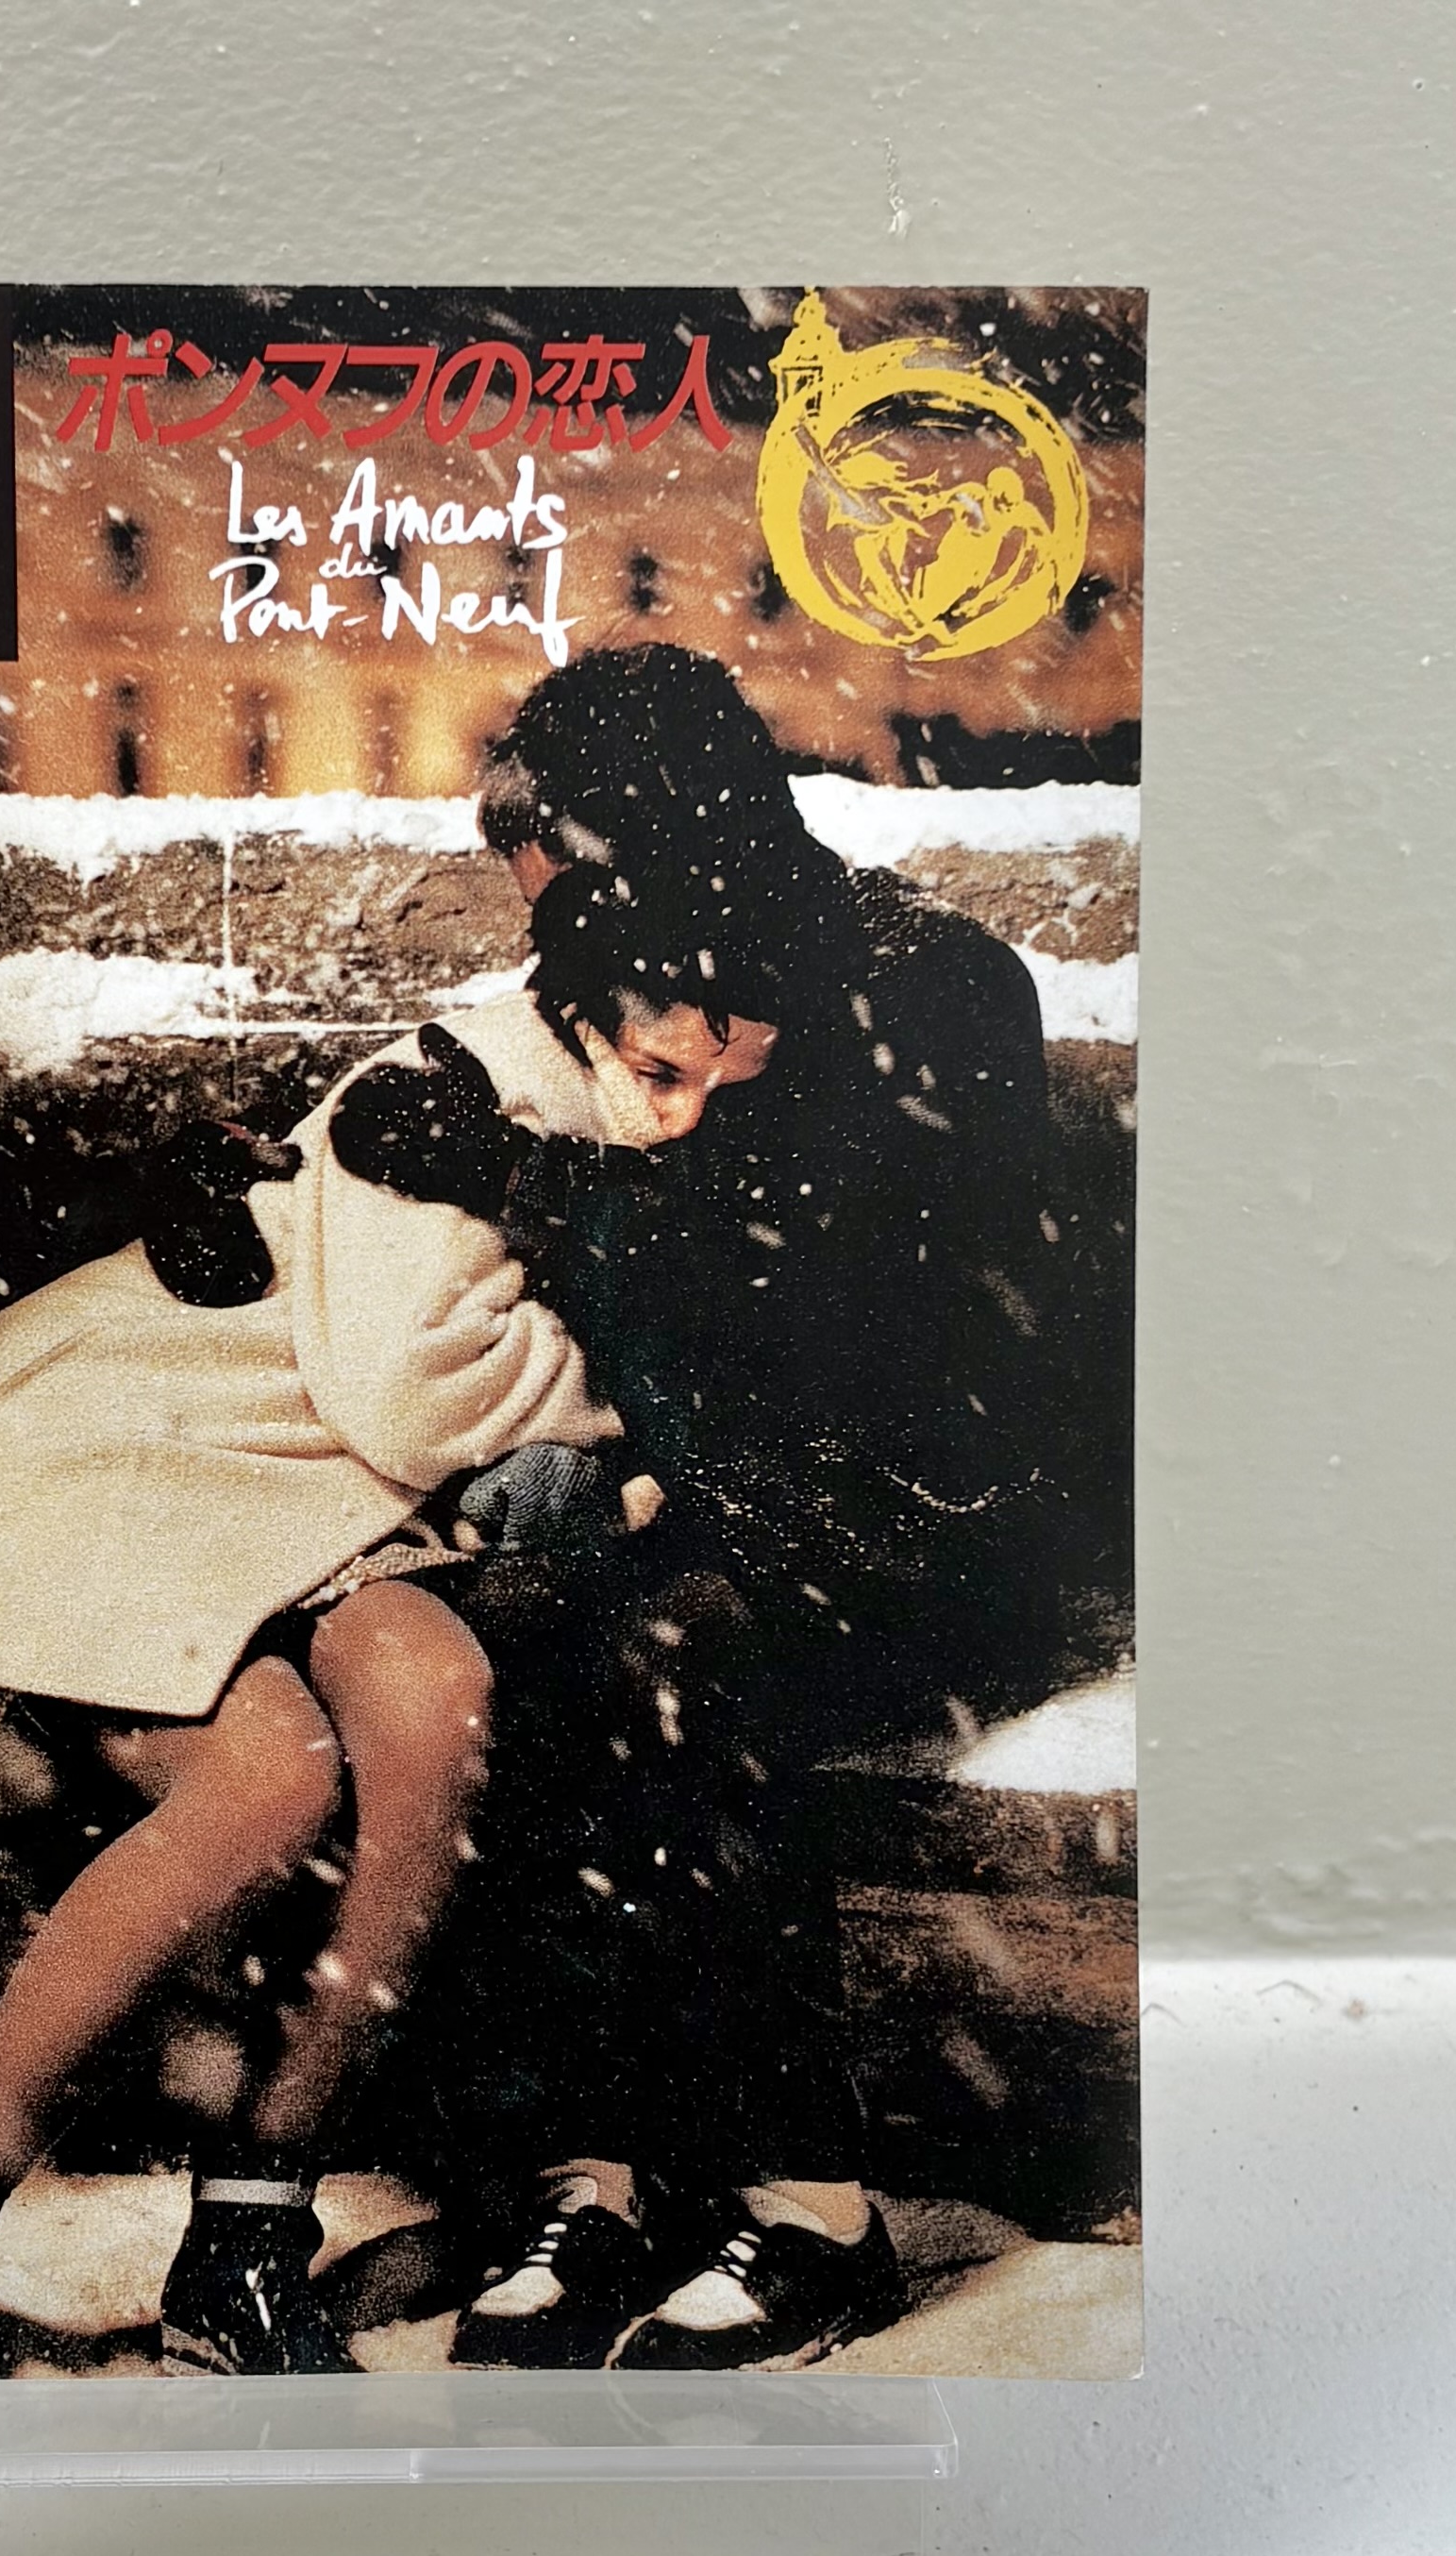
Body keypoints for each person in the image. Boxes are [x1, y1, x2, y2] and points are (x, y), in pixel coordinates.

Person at [0, 857, 788, 2379]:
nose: (685, 1116)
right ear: (588, 1016)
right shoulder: (445, 1099)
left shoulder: (639, 1135)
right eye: (662, 1073)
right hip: (152, 1435)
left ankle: (252, 2229)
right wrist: (626, 1415)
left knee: (434, 1704)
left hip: (334, 1498)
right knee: (271, 1784)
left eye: (726, 1083)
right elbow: (413, 1397)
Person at [344, 645, 1065, 2371]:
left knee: (672, 1660)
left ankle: (814, 2204)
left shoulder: (931, 985)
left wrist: (518, 1173)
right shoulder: (639, 972)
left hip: (930, 1517)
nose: (551, 931)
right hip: (735, 1494)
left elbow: (798, 1277)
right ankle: (590, 2176)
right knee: (473, 1642)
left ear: (672, 835)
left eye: (569, 881)